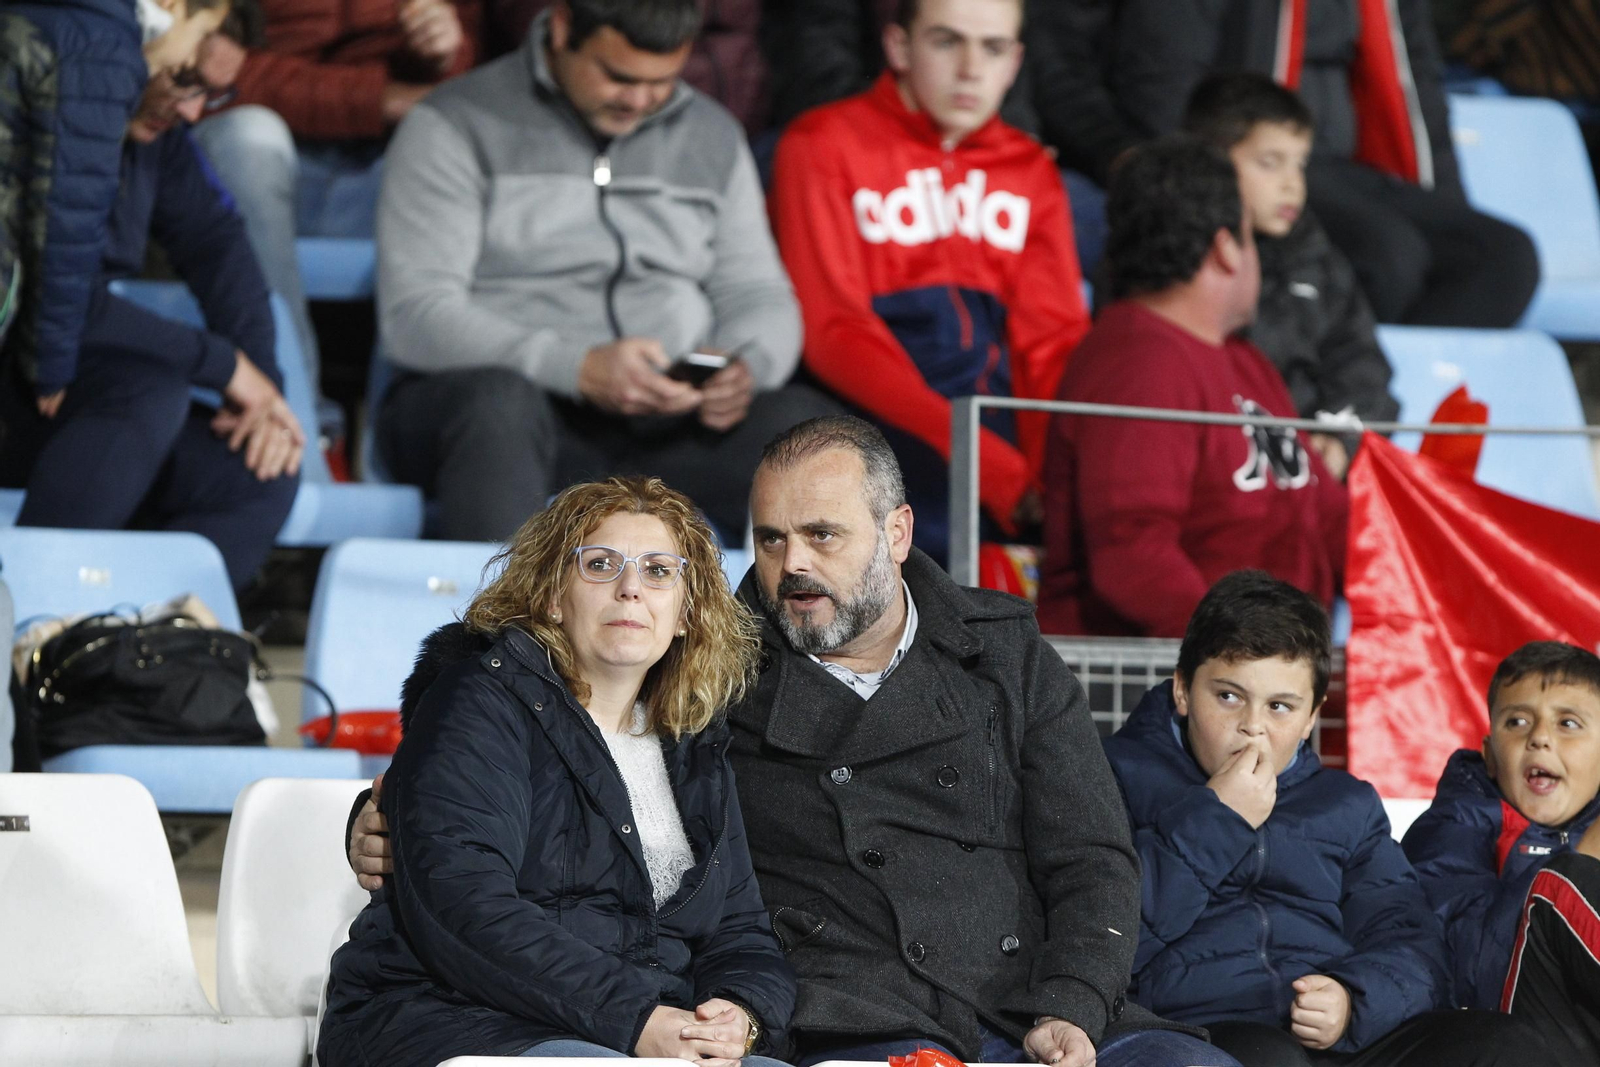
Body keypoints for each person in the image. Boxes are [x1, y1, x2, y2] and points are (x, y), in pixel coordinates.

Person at [348, 415, 1240, 1067]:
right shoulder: (712, 662)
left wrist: (1075, 1003)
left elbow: (1092, 856)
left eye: (822, 534)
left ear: (896, 534)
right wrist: (384, 812)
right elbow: (508, 733)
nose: (792, 566)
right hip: (860, 1011)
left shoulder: (1001, 647)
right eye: (770, 539)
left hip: (1031, 1005)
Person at [318, 476, 797, 1067]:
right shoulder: (479, 701)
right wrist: (636, 1019)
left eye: (657, 571)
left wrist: (738, 1015)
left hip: (631, 1035)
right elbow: (466, 907)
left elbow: (740, 930)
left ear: (684, 613)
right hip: (458, 1020)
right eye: (600, 565)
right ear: (551, 596)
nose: (630, 589)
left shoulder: (694, 740)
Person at [373, 0, 831, 542]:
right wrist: (576, 366)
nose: (639, 100)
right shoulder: (455, 123)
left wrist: (743, 366)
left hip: (670, 419)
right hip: (510, 413)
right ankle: (500, 626)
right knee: (497, 407)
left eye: (662, 80)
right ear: (563, 29)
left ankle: (799, 626)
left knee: (813, 434)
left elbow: (758, 292)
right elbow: (416, 315)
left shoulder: (712, 134)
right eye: (617, 76)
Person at [1105, 569, 1534, 1066]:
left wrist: (1355, 1001)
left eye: (1281, 707)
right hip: (1195, 1030)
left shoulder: (1345, 803)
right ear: (1182, 690)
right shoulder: (1111, 776)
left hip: (1339, 1034)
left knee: (1507, 1045)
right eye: (1228, 696)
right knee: (1270, 1057)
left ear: (1311, 717)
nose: (1253, 728)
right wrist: (1217, 819)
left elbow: (1412, 939)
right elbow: (1101, 942)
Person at [769, 0, 1088, 564]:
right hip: (876, 427)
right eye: (946, 41)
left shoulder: (1032, 170)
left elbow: (1053, 344)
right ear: (898, 47)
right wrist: (983, 464)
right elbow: (836, 333)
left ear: (1014, 62)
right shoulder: (820, 143)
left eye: (991, 49)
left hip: (1004, 445)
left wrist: (1048, 485)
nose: (970, 68)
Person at [0, 18, 303, 591]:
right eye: (185, 78)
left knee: (257, 472)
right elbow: (54, 297)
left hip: (60, 381)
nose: (193, 111)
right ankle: (31, 625)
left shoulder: (161, 137)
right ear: (159, 22)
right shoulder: (54, 101)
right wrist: (226, 366)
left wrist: (265, 397)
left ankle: (143, 662)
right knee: (145, 393)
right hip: (22, 365)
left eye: (213, 94)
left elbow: (220, 247)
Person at [1026, 0, 1540, 328]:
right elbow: (1166, 91)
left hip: (1357, 167)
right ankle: (1340, 420)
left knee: (1505, 259)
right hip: (1253, 165)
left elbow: (1418, 83)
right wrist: (1189, 187)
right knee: (1389, 259)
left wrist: (1442, 209)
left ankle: (1385, 416)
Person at [1036, 137, 1347, 638]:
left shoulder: (1244, 361)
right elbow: (1133, 558)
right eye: (1250, 237)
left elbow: (1334, 522)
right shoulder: (1138, 364)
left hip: (1264, 691)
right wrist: (1244, 659)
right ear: (1226, 247)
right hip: (1157, 695)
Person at [192, 0, 479, 393]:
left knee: (449, 156)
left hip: (391, 157)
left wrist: (443, 53)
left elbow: (484, 78)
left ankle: (392, 442)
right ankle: (291, 414)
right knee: (248, 138)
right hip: (259, 148)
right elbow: (211, 68)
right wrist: (379, 99)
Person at [3, 0, 231, 424]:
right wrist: (50, 365)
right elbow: (65, 222)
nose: (187, 57)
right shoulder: (104, 47)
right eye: (199, 38)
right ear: (171, 5)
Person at [1183, 72, 1399, 481]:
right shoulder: (1171, 258)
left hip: (1309, 475)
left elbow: (1362, 370)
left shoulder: (1320, 262)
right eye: (1269, 163)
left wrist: (1338, 441)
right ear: (1212, 162)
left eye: (1300, 164)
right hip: (1217, 469)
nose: (1292, 184)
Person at [1403, 641, 1600, 1063]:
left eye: (1568, 723)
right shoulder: (1456, 827)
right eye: (1518, 721)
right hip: (1507, 1038)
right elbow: (1468, 971)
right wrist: (1581, 863)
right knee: (1565, 882)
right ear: (1491, 757)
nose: (1540, 738)